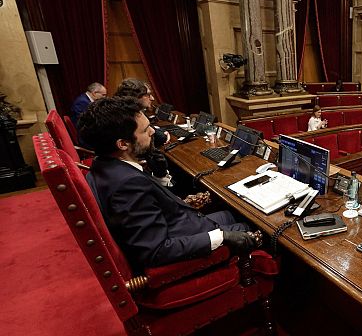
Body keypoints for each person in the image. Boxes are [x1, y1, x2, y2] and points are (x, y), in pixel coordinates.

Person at [78, 97, 259, 272]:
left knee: (230, 212)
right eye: (145, 130)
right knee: (251, 225)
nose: (152, 132)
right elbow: (155, 251)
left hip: (180, 224)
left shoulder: (104, 165)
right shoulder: (127, 184)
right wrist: (222, 236)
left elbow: (146, 208)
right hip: (185, 241)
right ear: (123, 144)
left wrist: (175, 196)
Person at [114, 78, 169, 147]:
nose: (152, 98)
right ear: (135, 97)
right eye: (147, 95)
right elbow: (160, 137)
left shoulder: (129, 112)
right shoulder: (128, 118)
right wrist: (163, 134)